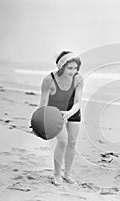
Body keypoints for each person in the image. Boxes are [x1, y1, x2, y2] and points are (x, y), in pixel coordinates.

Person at [39, 51, 84, 186]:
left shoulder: (78, 79)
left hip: (72, 112)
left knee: (72, 142)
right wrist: (41, 122)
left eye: (76, 68)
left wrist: (68, 114)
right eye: (70, 68)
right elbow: (43, 104)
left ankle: (67, 174)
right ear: (61, 66)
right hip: (54, 113)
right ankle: (57, 174)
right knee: (63, 141)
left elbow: (78, 102)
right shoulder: (49, 80)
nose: (73, 71)